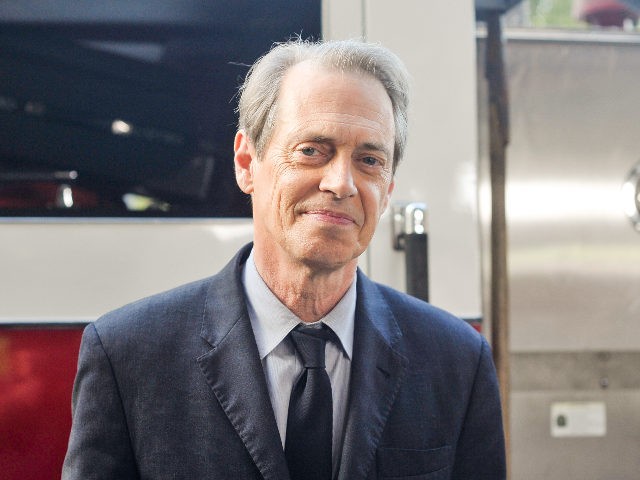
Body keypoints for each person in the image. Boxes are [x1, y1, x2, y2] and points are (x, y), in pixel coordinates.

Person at [62, 39, 506, 480]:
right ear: (246, 162)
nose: (341, 183)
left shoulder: (456, 361)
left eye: (369, 160)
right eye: (312, 150)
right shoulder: (128, 355)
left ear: (388, 190)